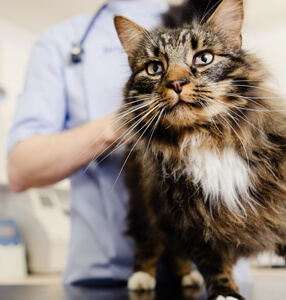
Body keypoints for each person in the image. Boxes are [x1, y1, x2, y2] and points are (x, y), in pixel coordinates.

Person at [7, 0, 251, 291]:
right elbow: (20, 169)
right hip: (106, 279)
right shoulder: (60, 40)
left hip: (224, 276)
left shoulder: (203, 18)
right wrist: (123, 123)